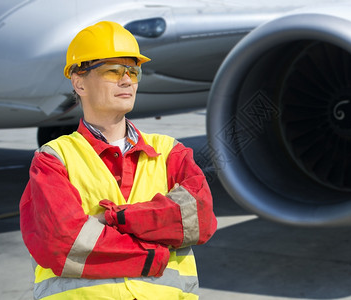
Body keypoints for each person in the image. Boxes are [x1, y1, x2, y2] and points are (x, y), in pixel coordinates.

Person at [19, 21, 217, 300]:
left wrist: (115, 218)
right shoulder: (53, 159)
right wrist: (152, 254)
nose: (127, 80)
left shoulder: (170, 152)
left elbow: (199, 218)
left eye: (133, 72)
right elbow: (63, 242)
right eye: (113, 71)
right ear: (79, 82)